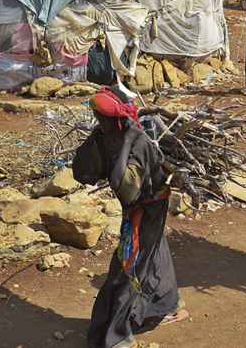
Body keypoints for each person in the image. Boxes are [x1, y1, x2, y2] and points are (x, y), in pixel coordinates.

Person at [72, 87, 187, 348]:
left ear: (119, 118)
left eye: (104, 118)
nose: (99, 124)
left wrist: (127, 142)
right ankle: (168, 305)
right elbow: (83, 173)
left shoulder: (139, 142)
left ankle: (113, 334)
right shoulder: (106, 134)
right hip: (133, 206)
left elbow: (124, 186)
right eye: (96, 118)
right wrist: (92, 137)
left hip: (149, 206)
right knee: (152, 251)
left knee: (128, 266)